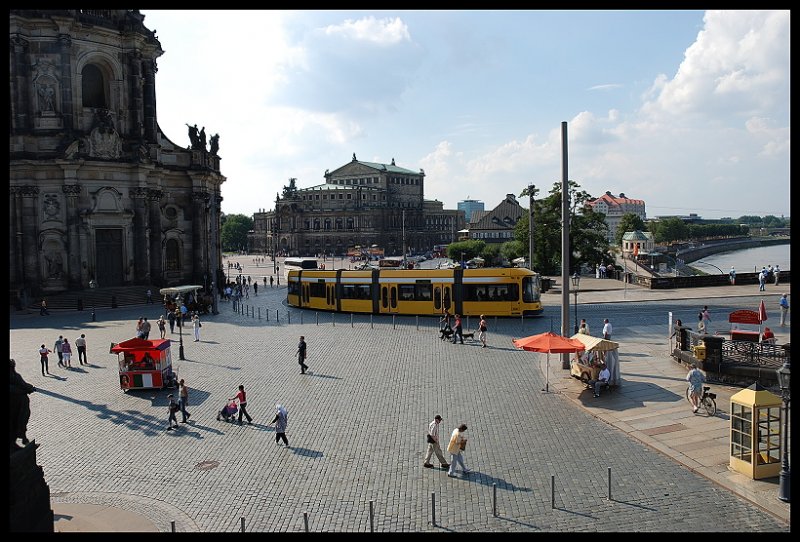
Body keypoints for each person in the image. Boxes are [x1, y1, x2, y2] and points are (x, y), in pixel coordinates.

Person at [10, 359, 36, 449]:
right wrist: (27, 389)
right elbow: (19, 386)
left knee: (20, 419)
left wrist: (29, 387)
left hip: (19, 403)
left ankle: (22, 438)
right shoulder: (14, 376)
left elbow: (22, 384)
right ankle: (18, 439)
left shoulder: (15, 376)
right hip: (17, 404)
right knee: (19, 420)